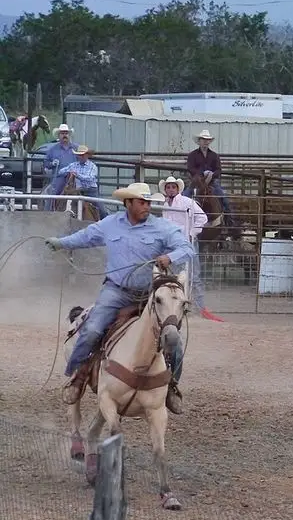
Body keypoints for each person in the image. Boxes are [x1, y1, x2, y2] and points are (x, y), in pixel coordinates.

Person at [44, 182, 195, 415]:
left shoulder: (162, 228)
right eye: (142, 202)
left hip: (150, 296)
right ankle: (77, 377)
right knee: (92, 329)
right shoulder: (110, 224)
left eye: (149, 203)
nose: (147, 207)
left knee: (173, 340)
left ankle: (171, 385)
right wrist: (60, 243)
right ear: (128, 203)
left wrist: (170, 256)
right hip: (116, 291)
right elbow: (85, 237)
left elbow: (187, 248)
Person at [158, 175, 224, 323]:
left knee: (193, 275)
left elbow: (202, 217)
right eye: (168, 187)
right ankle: (179, 306)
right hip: (172, 244)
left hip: (186, 242)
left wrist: (191, 233)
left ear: (177, 188)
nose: (170, 189)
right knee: (175, 275)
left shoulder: (187, 202)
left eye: (173, 187)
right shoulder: (164, 205)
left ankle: (199, 308)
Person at [184, 129, 233, 223]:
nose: (205, 142)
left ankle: (229, 223)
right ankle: (183, 219)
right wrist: (202, 174)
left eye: (207, 140)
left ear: (209, 141)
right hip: (197, 182)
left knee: (224, 198)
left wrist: (212, 175)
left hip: (212, 182)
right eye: (203, 139)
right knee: (185, 196)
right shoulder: (192, 155)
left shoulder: (214, 156)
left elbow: (218, 170)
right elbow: (190, 168)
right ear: (199, 141)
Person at [62, 145, 109, 219]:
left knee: (102, 210)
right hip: (77, 191)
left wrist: (77, 175)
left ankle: (106, 224)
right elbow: (61, 171)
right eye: (79, 155)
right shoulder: (74, 165)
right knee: (62, 204)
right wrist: (68, 172)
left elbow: (90, 178)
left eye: (82, 155)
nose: (80, 157)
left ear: (87, 155)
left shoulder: (92, 166)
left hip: (90, 191)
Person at [43, 124, 79, 211]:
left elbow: (82, 160)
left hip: (75, 177)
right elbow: (46, 163)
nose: (64, 135)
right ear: (59, 135)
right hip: (59, 177)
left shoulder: (76, 148)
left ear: (69, 135)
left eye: (66, 133)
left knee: (85, 193)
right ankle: (46, 214)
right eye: (62, 133)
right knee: (53, 193)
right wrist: (52, 163)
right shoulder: (53, 150)